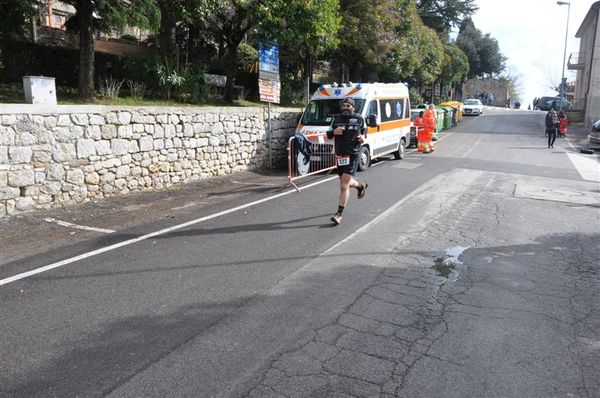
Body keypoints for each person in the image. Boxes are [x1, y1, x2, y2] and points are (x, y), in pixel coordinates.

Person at [327, 97, 368, 225]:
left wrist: (363, 138)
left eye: (348, 106)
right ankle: (360, 186)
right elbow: (327, 134)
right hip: (340, 155)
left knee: (344, 184)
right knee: (346, 181)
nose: (345, 108)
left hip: (353, 154)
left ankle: (339, 214)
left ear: (353, 107)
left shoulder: (359, 118)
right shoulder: (336, 118)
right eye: (344, 105)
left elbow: (365, 131)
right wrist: (334, 131)